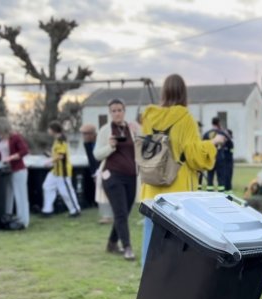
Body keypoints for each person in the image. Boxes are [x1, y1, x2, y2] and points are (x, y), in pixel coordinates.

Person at [139, 74, 224, 266]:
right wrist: (213, 144)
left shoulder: (149, 117)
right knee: (176, 247)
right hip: (177, 193)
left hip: (151, 189)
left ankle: (149, 287)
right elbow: (194, 156)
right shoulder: (185, 118)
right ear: (183, 93)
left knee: (150, 242)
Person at [93, 99, 140, 259]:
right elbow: (97, 154)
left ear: (124, 111)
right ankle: (127, 247)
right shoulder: (105, 130)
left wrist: (139, 133)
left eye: (119, 110)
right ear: (110, 113)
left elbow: (144, 148)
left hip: (132, 176)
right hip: (112, 176)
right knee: (120, 212)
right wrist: (110, 147)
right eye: (113, 110)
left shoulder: (131, 128)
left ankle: (112, 243)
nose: (117, 113)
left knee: (125, 212)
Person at [0, 117, 31, 228]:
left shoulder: (15, 137)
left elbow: (24, 151)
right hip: (6, 171)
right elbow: (0, 155)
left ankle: (23, 220)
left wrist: (11, 158)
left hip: (18, 170)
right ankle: (8, 217)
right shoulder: (0, 139)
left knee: (20, 195)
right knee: (8, 195)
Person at [42, 121, 80, 218]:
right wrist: (50, 155)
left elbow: (61, 156)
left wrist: (49, 161)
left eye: (49, 129)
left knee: (66, 192)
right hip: (56, 171)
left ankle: (75, 210)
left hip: (63, 171)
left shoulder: (61, 140)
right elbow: (57, 154)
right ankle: (47, 210)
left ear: (53, 130)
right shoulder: (57, 140)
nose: (48, 130)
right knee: (47, 186)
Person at [204, 118, 235, 191]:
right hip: (220, 159)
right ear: (219, 123)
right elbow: (230, 143)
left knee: (210, 177)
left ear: (212, 123)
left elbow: (202, 146)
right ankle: (221, 193)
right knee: (221, 178)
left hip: (210, 159)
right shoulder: (222, 133)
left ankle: (209, 192)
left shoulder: (207, 134)